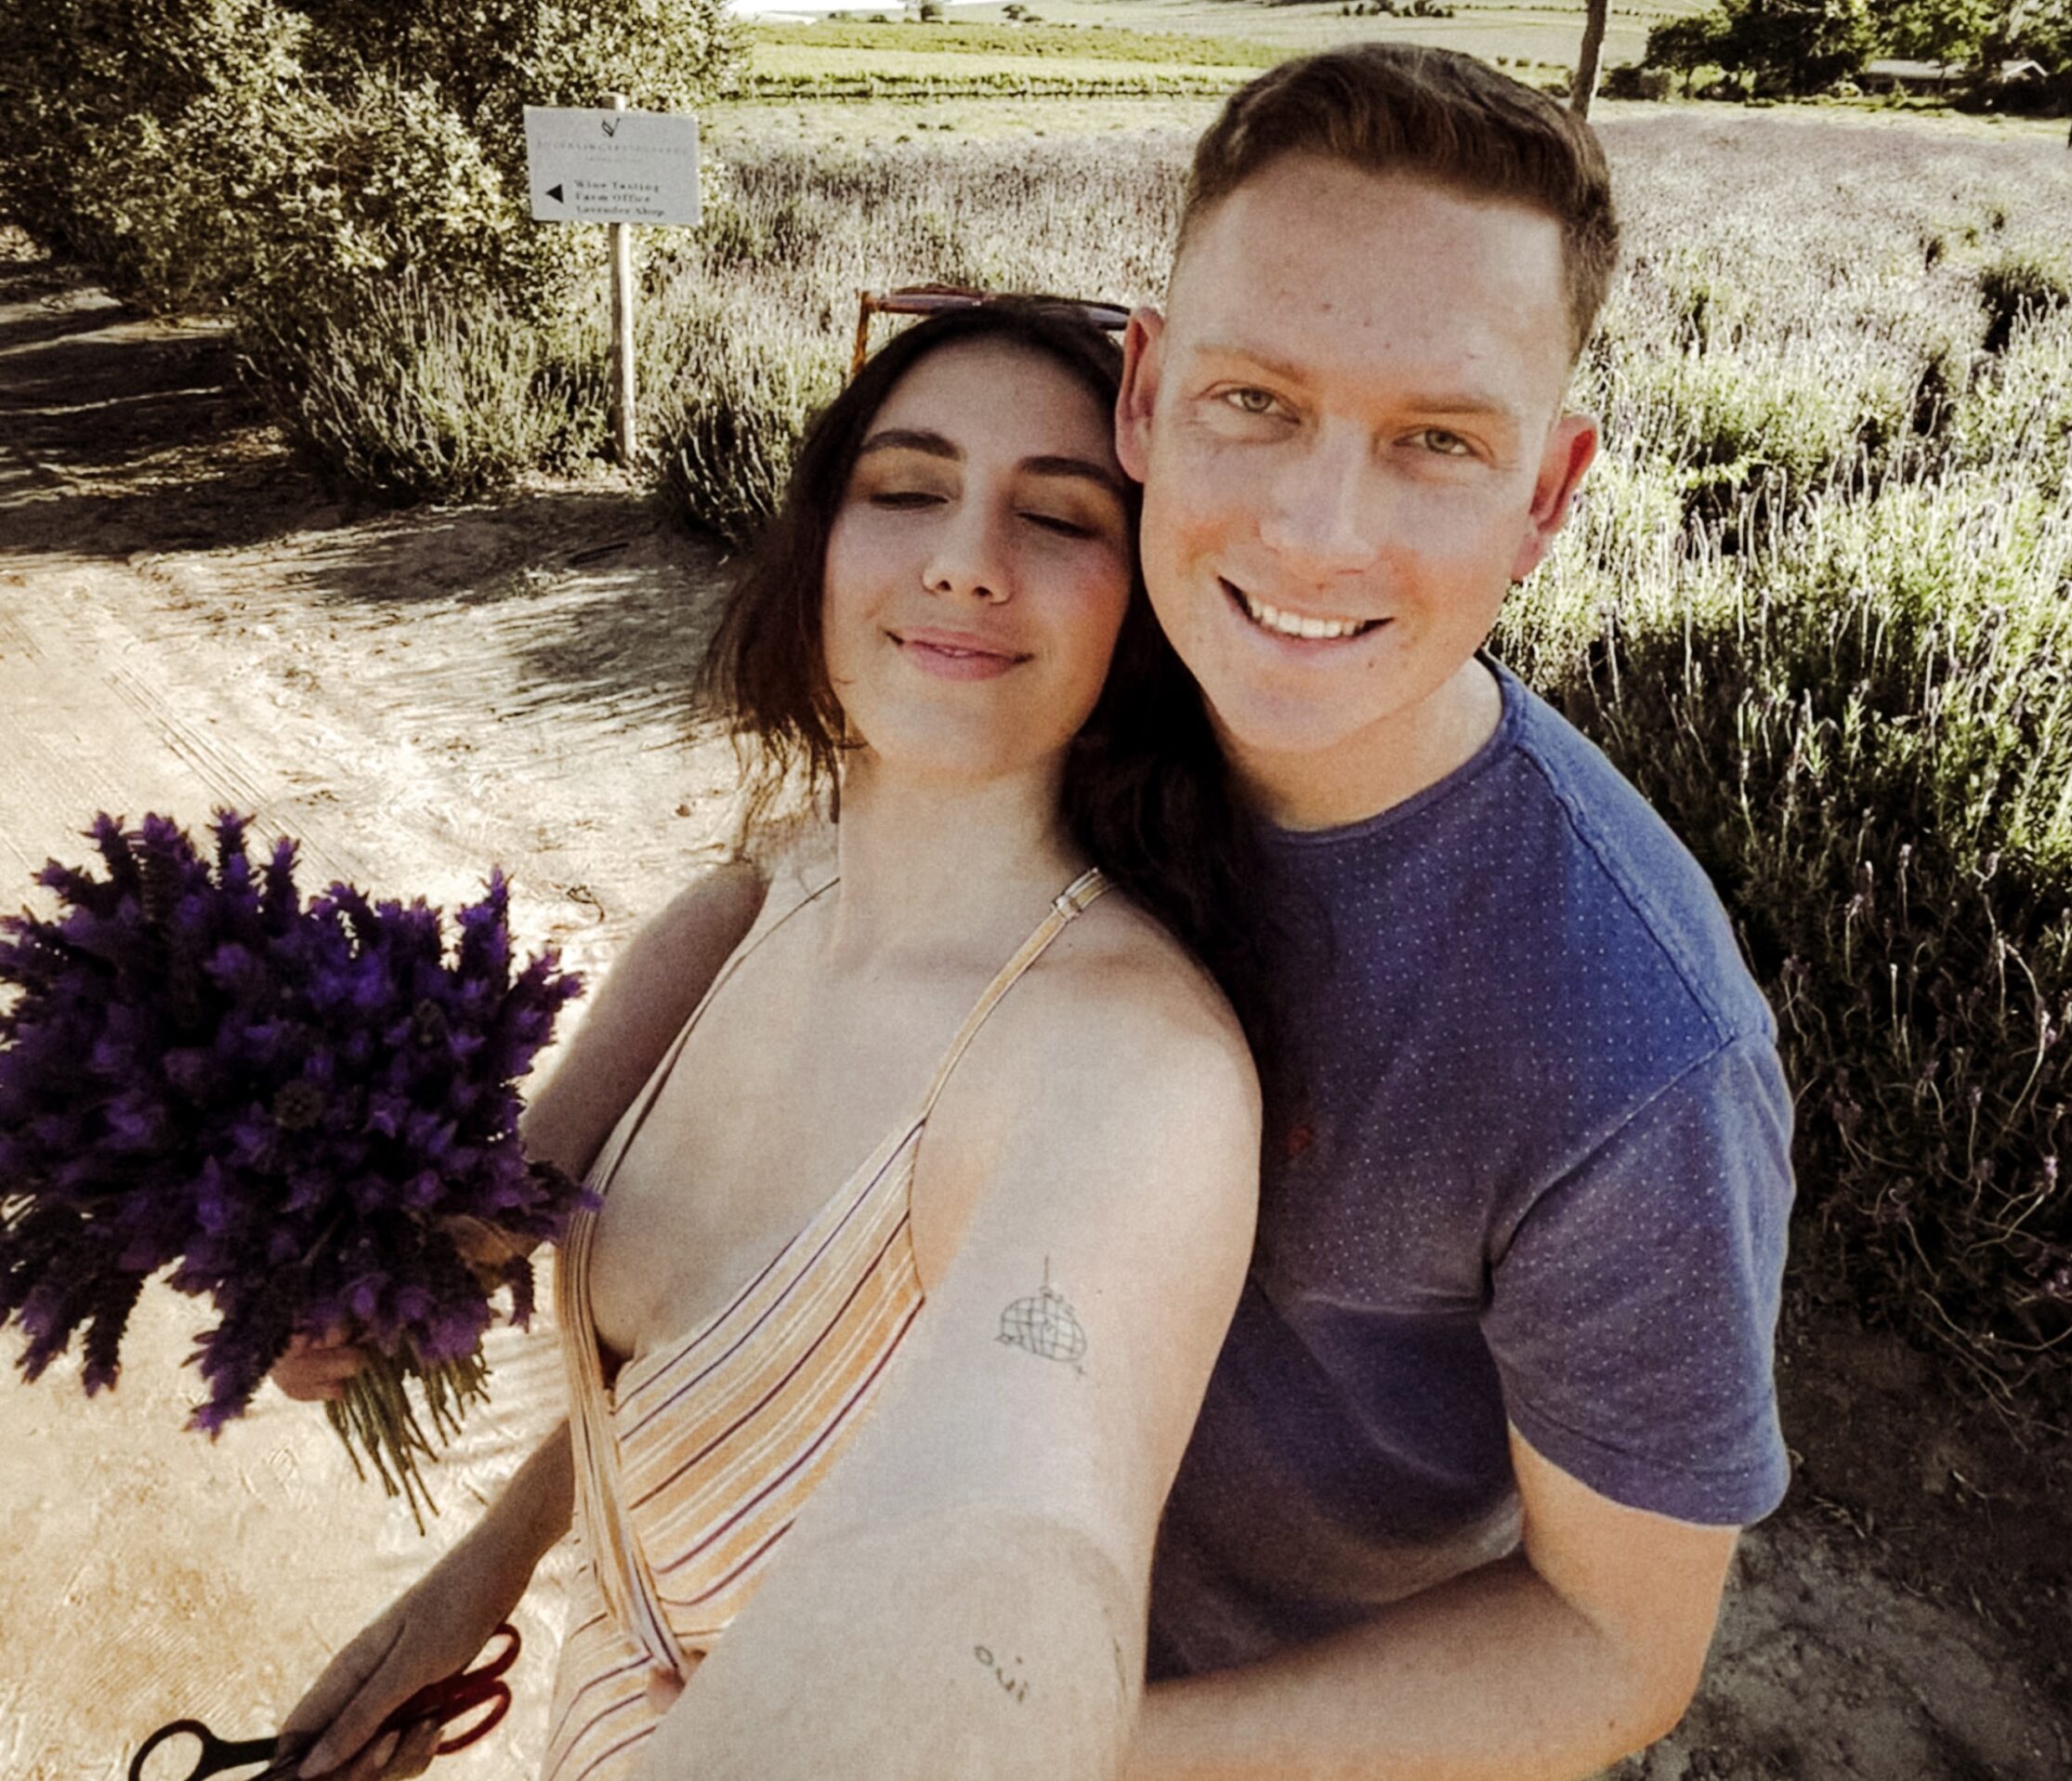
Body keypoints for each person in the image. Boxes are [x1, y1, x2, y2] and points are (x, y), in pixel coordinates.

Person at [292, 41, 1796, 1781]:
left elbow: (1613, 1648)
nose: (1315, 531)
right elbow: (777, 1231)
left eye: (1437, 439)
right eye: (1259, 399)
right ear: (1147, 397)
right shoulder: (1045, 721)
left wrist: (1015, 1742)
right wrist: (497, 1563)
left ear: (1549, 493)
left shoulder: (1631, 1038)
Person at [271, 301, 1263, 1781]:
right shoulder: (751, 903)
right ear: (819, 550)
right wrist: (470, 1567)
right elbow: (504, 1256)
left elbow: (1028, 1575)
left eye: (1057, 518)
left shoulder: (1124, 1067)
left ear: (1145, 615)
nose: (964, 557)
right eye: (907, 488)